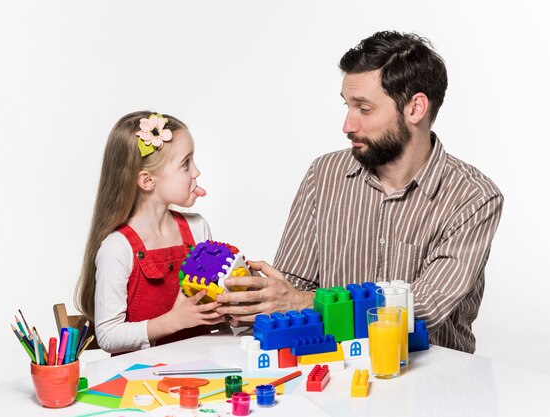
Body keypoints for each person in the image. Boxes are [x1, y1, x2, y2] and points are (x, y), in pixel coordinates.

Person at [216, 31, 503, 353]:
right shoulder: (323, 175)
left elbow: (425, 307)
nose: (347, 125)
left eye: (364, 109)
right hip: (332, 368)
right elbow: (292, 287)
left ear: (415, 108)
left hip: (431, 375)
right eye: (347, 105)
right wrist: (250, 300)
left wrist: (301, 301)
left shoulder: (474, 197)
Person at [75, 111, 225, 354]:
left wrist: (233, 298)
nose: (196, 172)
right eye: (185, 164)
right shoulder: (117, 248)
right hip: (139, 380)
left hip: (199, 369)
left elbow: (211, 304)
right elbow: (107, 336)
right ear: (147, 181)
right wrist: (174, 321)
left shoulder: (198, 228)